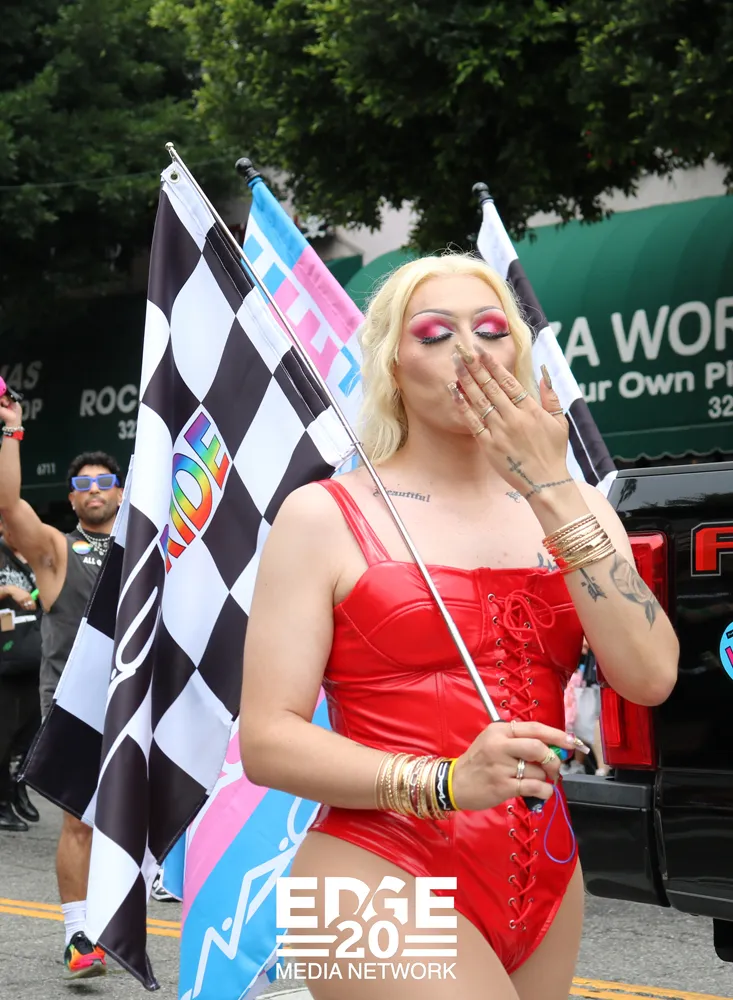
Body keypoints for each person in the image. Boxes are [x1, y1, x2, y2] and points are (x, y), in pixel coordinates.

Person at [239, 253, 679, 1000]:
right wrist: (443, 781)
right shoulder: (322, 514)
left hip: (544, 876)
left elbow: (649, 676)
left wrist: (551, 490)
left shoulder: (577, 505)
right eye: (435, 333)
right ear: (392, 366)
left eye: (491, 329)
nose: (469, 351)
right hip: (365, 871)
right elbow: (266, 740)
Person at [0, 391, 122, 981]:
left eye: (105, 481)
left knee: (134, 820)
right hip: (76, 705)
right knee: (80, 819)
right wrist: (11, 431)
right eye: (82, 483)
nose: (94, 489)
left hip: (137, 700)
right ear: (72, 496)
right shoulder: (55, 551)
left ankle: (118, 920)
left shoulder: (145, 552)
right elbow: (9, 508)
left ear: (121, 491)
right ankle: (77, 935)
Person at [0, 516, 42, 831]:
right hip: (5, 658)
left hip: (33, 654)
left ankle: (17, 786)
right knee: (4, 734)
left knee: (32, 732)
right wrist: (8, 590)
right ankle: (2, 804)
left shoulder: (37, 555)